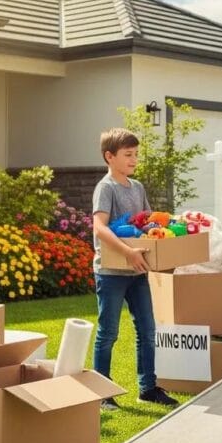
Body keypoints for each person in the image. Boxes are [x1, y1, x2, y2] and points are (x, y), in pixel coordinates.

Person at [91, 128, 177, 410]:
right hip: (111, 273)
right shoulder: (106, 188)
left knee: (147, 330)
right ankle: (102, 393)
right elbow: (99, 227)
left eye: (136, 154)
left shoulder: (137, 187)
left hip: (138, 271)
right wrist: (127, 252)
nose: (134, 159)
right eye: (128, 154)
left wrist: (167, 236)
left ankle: (148, 388)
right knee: (108, 333)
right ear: (109, 156)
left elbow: (148, 223)